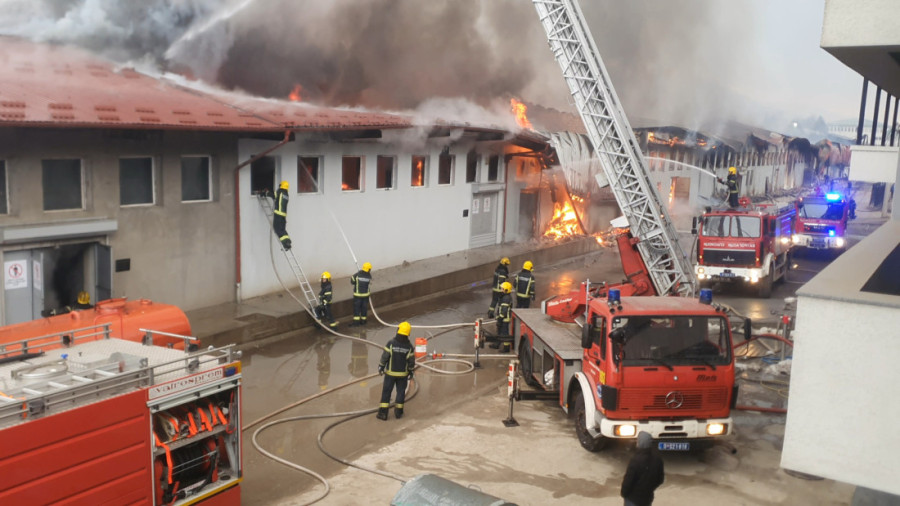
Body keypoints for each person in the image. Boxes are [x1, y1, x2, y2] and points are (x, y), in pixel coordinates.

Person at [377, 321, 416, 420]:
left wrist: (381, 366)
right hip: (403, 375)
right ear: (408, 333)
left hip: (390, 374)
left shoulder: (391, 343)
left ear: (398, 330)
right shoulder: (409, 347)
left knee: (386, 392)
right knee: (401, 392)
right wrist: (411, 371)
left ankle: (383, 413)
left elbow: (385, 357)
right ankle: (398, 412)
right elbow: (411, 362)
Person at [621, 431, 665, 506]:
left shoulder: (635, 461)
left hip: (633, 499)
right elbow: (660, 479)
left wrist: (624, 493)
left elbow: (628, 480)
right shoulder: (658, 459)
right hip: (647, 498)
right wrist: (650, 489)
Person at [262, 180, 292, 251]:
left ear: (282, 186)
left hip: (278, 214)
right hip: (283, 215)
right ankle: (288, 242)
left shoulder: (280, 191)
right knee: (282, 229)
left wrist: (265, 193)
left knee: (277, 229)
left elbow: (273, 195)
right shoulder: (286, 194)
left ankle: (285, 243)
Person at [490, 281, 513, 349]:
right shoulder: (504, 297)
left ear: (506, 290)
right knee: (499, 332)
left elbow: (504, 310)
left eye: (502, 289)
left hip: (504, 319)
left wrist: (500, 319)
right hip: (502, 318)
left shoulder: (506, 298)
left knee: (504, 334)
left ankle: (506, 347)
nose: (501, 290)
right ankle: (497, 344)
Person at [350, 262, 372, 326]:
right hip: (366, 295)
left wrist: (358, 273)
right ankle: (363, 321)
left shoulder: (357, 275)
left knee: (357, 309)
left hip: (358, 295)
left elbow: (352, 281)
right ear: (368, 269)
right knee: (364, 308)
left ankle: (356, 323)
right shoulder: (369, 276)